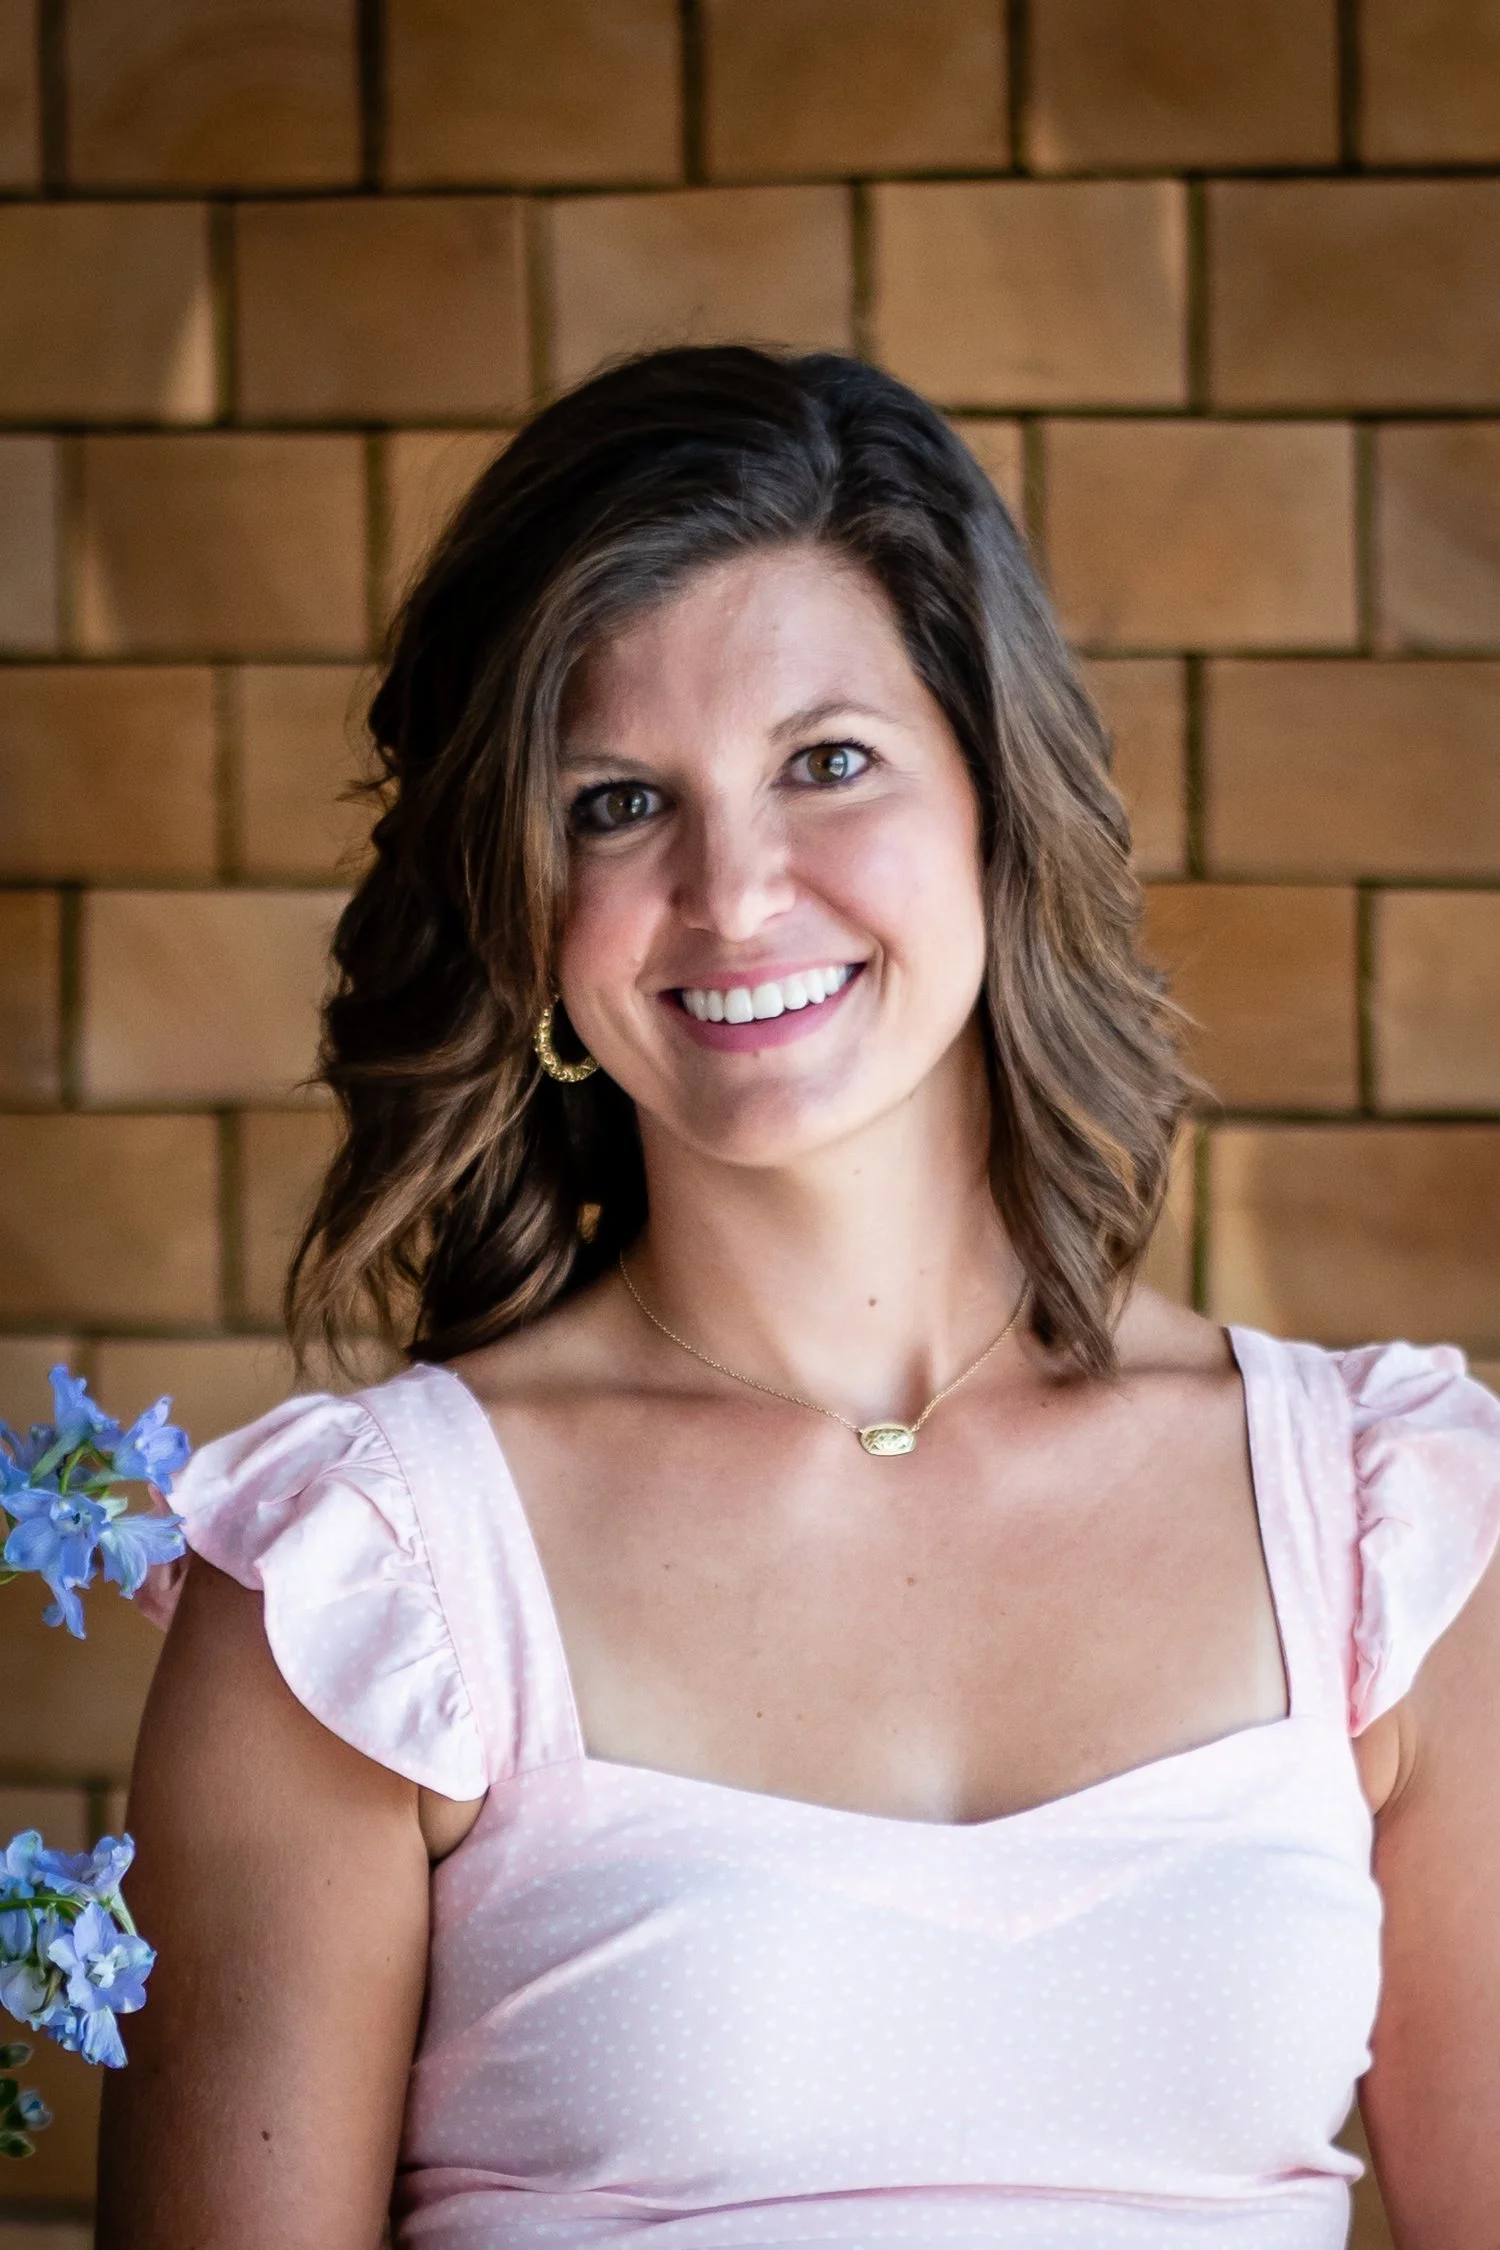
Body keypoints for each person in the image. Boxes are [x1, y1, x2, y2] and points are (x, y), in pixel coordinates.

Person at [98, 347, 1500, 2250]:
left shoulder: (1384, 1525)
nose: (736, 892)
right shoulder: (368, 1586)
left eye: (827, 762)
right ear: (525, 904)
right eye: (617, 803)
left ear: (996, 804)